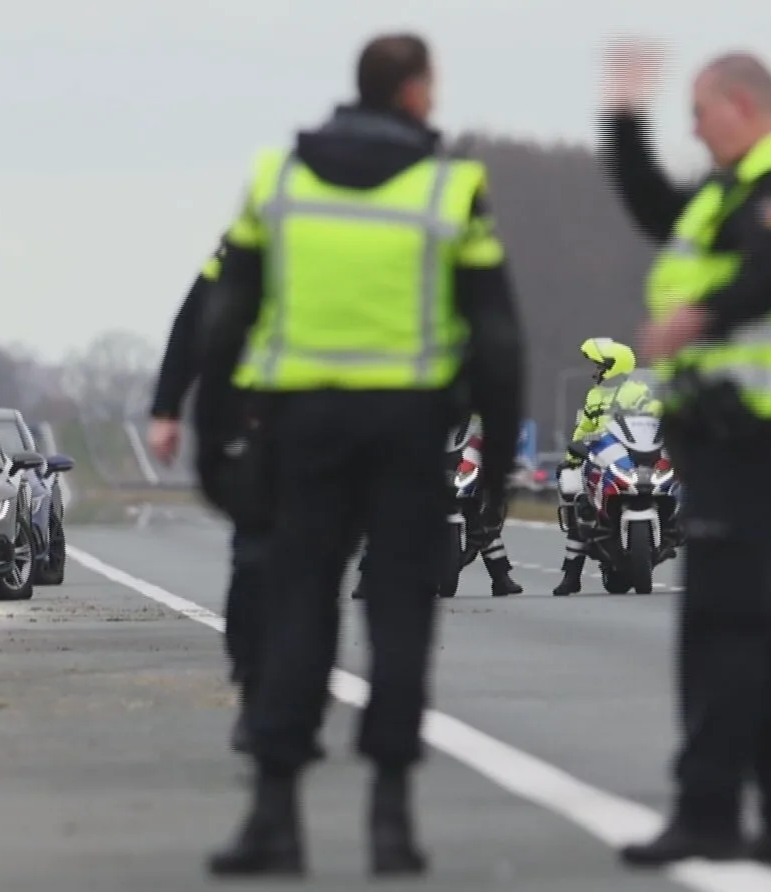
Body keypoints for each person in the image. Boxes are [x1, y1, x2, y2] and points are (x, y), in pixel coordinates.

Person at [194, 32, 524, 878]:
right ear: (415, 94)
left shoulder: (279, 178)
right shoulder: (453, 188)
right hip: (411, 433)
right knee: (402, 617)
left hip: (303, 431)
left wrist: (212, 435)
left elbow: (226, 313)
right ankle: (390, 818)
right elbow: (496, 336)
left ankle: (275, 815)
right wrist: (493, 468)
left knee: (300, 606)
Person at [601, 42, 771, 867]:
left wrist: (694, 321)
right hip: (732, 433)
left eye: (699, 115)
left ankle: (707, 811)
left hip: (755, 434)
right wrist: (623, 122)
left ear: (740, 106)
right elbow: (658, 210)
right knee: (765, 631)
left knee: (722, 628)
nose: (697, 133)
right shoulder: (732, 189)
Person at [147, 243, 331, 759]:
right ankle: (256, 693)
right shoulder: (258, 223)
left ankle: (302, 700)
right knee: (255, 557)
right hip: (250, 419)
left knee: (318, 566)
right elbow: (193, 317)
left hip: (333, 418)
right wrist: (166, 407)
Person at [352, 412, 524, 599]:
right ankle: (366, 579)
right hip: (419, 458)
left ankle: (500, 576)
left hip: (459, 459)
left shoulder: (471, 407)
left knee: (481, 516)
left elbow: (493, 426)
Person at [552, 336, 659, 595]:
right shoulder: (594, 395)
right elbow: (584, 428)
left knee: (665, 481)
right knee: (579, 500)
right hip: (599, 454)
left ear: (614, 365)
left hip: (633, 453)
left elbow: (654, 415)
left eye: (599, 365)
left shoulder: (638, 391)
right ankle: (571, 575)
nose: (595, 371)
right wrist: (573, 454)